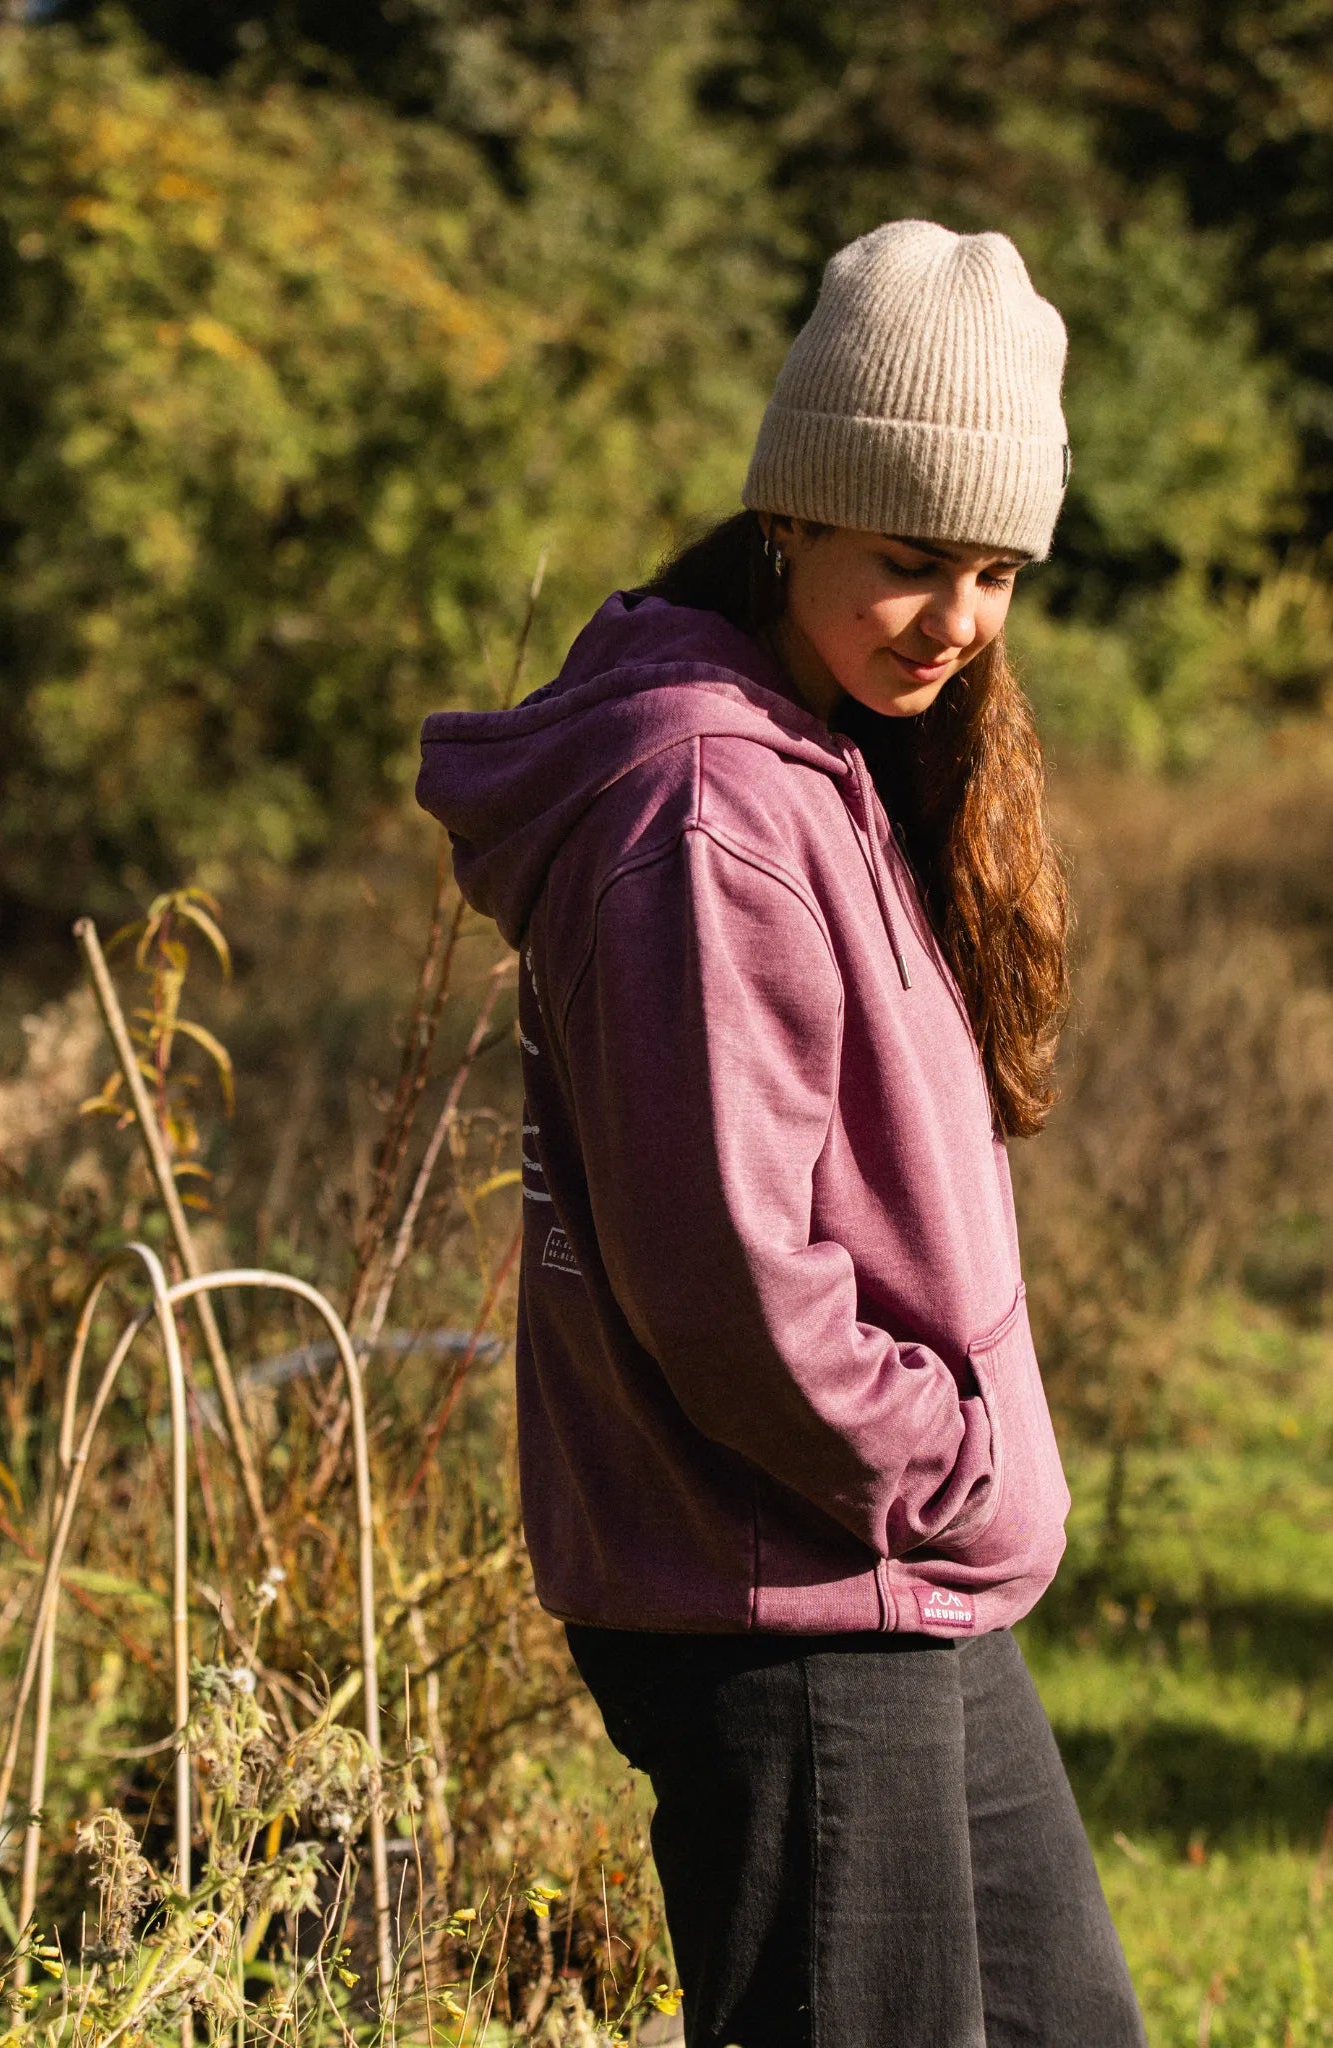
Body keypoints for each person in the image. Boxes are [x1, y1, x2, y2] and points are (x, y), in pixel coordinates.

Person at [417, 220, 1146, 2048]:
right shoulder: (699, 806)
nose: (958, 623)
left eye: (996, 572)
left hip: (889, 1582)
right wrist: (950, 1466)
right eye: (911, 562)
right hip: (796, 1580)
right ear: (790, 521)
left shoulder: (821, 754)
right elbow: (730, 1272)